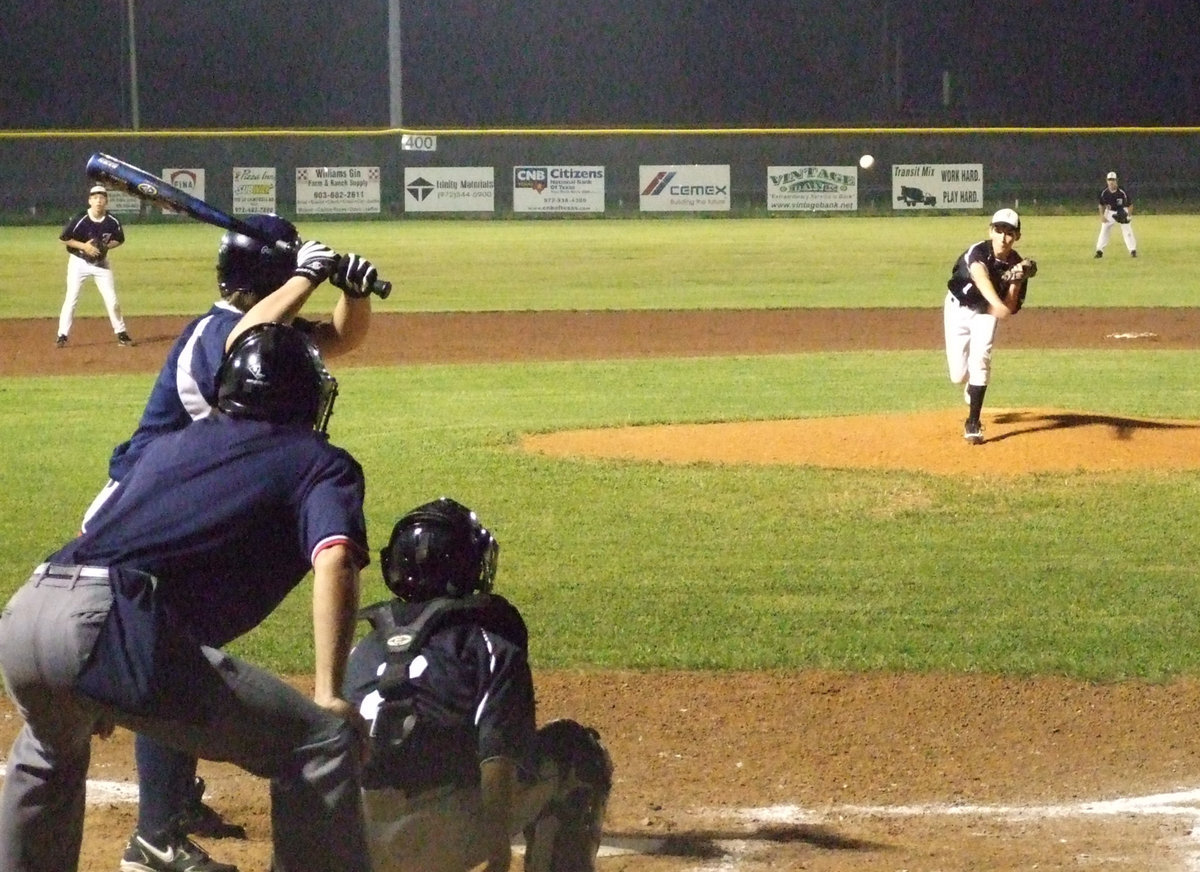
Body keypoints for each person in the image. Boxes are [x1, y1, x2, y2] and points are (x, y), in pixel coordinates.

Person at [0, 323, 373, 872]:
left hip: (28, 608)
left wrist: (98, 676)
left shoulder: (171, 444)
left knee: (48, 755)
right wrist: (328, 692)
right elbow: (335, 557)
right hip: (105, 623)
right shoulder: (318, 459)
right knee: (320, 743)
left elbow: (97, 530)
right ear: (307, 395)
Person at [79, 214, 380, 872]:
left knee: (185, 650)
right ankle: (156, 835)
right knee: (169, 651)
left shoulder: (268, 327)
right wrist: (308, 272)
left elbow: (339, 338)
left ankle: (172, 801)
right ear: (272, 279)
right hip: (139, 514)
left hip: (181, 509)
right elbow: (255, 331)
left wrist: (349, 289)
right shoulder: (224, 333)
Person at [343, 497, 614, 872]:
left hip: (352, 840)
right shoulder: (488, 643)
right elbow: (496, 759)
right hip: (436, 836)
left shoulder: (359, 648)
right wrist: (498, 851)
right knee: (577, 754)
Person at [943, 208, 1034, 444]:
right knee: (957, 375)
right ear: (990, 230)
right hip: (957, 309)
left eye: (1009, 233)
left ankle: (973, 423)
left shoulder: (1017, 264)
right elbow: (980, 276)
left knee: (981, 358)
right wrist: (997, 303)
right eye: (999, 230)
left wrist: (1016, 282)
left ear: (1017, 237)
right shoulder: (978, 251)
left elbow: (1010, 306)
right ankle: (971, 387)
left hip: (986, 313)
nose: (1003, 238)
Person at [57, 184, 134, 348]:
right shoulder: (80, 218)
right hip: (78, 262)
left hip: (101, 264)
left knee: (112, 300)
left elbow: (119, 239)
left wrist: (106, 247)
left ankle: (121, 333)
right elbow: (64, 238)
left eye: (102, 198)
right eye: (95, 198)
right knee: (71, 298)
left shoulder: (112, 221)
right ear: (89, 201)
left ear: (106, 201)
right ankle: (62, 335)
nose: (98, 201)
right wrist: (84, 246)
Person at [1094, 170, 1137, 258]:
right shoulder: (1105, 193)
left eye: (1113, 180)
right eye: (1109, 180)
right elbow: (1101, 205)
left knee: (1127, 230)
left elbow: (1130, 205)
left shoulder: (1121, 192)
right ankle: (1099, 251)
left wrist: (1129, 216)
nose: (1111, 182)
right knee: (1104, 229)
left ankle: (1132, 250)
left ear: (1116, 181)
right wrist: (1102, 216)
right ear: (1107, 181)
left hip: (1122, 211)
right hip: (1110, 212)